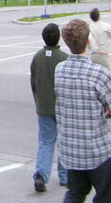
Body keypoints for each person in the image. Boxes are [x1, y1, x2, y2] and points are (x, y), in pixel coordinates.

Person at [55, 19, 111, 203]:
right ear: (88, 41)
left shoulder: (60, 70)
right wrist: (105, 109)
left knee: (75, 192)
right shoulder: (98, 73)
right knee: (105, 196)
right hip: (97, 150)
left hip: (71, 149)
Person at [30, 23, 69, 192]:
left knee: (46, 141)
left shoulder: (37, 57)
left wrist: (38, 101)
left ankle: (41, 175)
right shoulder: (65, 58)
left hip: (43, 106)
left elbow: (34, 83)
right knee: (64, 141)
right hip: (62, 108)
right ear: (59, 38)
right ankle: (65, 176)